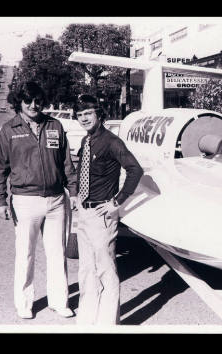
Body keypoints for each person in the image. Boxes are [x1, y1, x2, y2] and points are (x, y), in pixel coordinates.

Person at [0, 81, 77, 319]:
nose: (33, 105)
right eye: (28, 100)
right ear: (19, 102)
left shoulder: (55, 125)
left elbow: (66, 164)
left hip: (56, 200)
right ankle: (24, 303)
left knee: (57, 253)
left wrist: (75, 192)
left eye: (38, 100)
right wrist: (0, 200)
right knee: (25, 253)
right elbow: (0, 168)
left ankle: (60, 302)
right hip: (25, 201)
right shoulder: (9, 129)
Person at [74, 94, 143, 325]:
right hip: (84, 212)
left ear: (99, 114)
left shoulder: (112, 142)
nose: (84, 118)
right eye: (80, 114)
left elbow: (135, 170)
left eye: (88, 113)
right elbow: (83, 171)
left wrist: (117, 201)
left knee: (106, 271)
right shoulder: (86, 141)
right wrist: (77, 197)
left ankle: (107, 323)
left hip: (101, 216)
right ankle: (87, 319)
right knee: (86, 270)